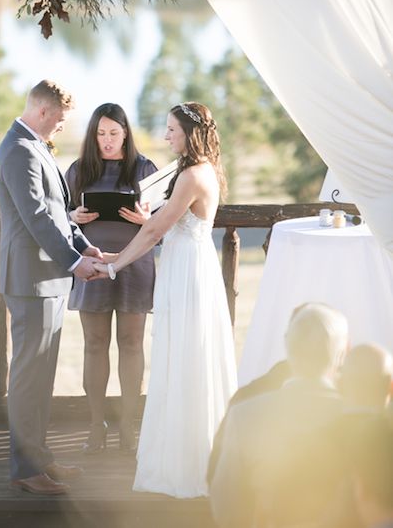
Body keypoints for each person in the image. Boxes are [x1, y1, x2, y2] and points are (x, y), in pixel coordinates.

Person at [94, 101, 238, 498]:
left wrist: (113, 266)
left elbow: (157, 230)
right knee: (183, 353)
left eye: (172, 129)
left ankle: (187, 465)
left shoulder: (192, 174)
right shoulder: (194, 169)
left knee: (185, 353)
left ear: (189, 133)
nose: (166, 136)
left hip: (188, 269)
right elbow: (161, 222)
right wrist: (129, 243)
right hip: (185, 262)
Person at [0, 80, 103, 496]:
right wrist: (75, 263)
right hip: (30, 280)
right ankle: (25, 468)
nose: (61, 127)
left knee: (42, 375)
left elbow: (59, 211)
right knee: (28, 376)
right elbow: (37, 216)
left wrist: (82, 243)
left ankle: (39, 456)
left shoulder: (34, 145)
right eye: (59, 120)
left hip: (48, 278)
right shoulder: (19, 150)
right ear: (42, 112)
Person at [65, 103, 157, 453]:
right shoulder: (77, 171)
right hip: (92, 266)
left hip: (135, 266)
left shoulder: (145, 169)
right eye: (100, 134)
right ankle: (95, 426)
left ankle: (128, 429)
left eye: (113, 133)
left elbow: (164, 225)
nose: (106, 141)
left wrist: (143, 221)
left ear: (126, 133)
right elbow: (59, 220)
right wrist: (73, 216)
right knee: (94, 344)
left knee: (132, 345)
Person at [209, 302, 349, 528]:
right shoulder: (359, 416)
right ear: (342, 354)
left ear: (287, 346)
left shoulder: (244, 414)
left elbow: (225, 502)